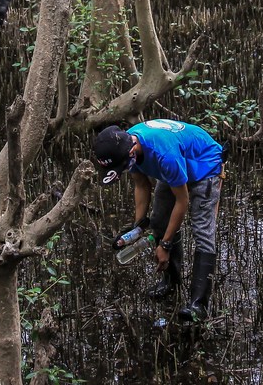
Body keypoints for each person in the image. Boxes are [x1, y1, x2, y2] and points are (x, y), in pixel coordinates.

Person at [92, 119, 224, 322]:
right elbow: (142, 186)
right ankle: (172, 281)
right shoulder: (129, 144)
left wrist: (165, 244)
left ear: (131, 151)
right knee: (158, 220)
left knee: (203, 232)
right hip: (178, 163)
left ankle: (199, 305)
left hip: (204, 165)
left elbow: (182, 202)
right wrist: (138, 227)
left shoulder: (164, 155)